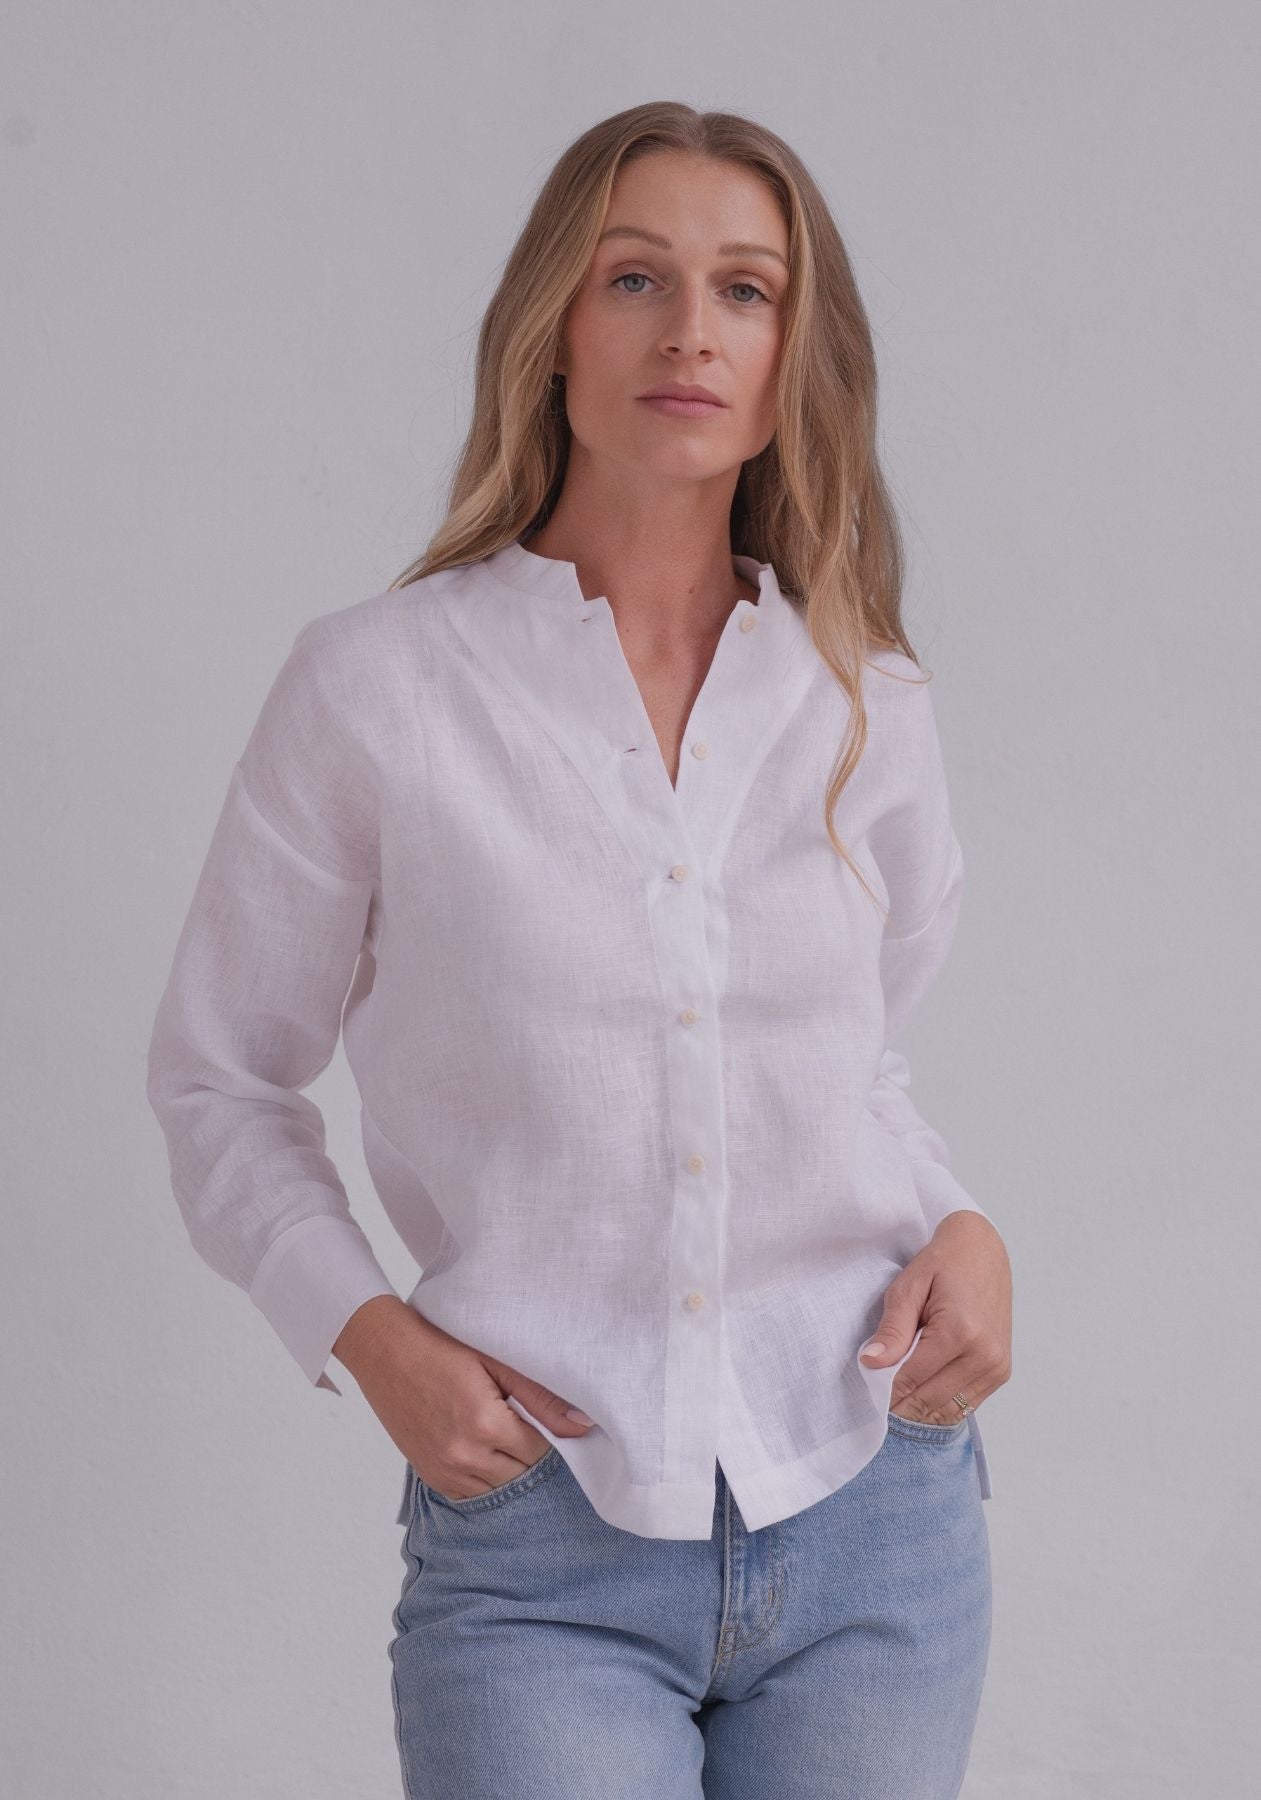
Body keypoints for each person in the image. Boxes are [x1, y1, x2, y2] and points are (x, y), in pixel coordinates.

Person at [147, 100, 1013, 1800]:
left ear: (793, 354)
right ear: (551, 327)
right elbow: (219, 1079)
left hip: (876, 1513)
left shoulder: (866, 698)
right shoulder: (377, 688)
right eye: (634, 278)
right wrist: (368, 1335)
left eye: (744, 289)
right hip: (541, 1542)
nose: (690, 330)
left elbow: (852, 1072)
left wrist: (964, 1227)